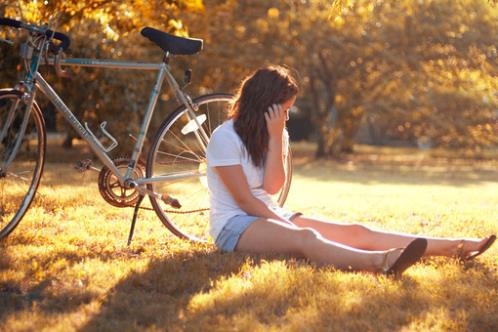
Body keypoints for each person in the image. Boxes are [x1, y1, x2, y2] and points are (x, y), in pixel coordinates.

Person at [206, 65, 496, 276]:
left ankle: (455, 247)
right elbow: (245, 202)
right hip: (234, 225)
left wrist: (274, 136)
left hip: (270, 212)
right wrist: (290, 226)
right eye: (284, 109)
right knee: (306, 238)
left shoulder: (276, 132)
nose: (287, 115)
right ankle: (381, 263)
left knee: (358, 232)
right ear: (264, 106)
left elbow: (271, 188)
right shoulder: (224, 137)